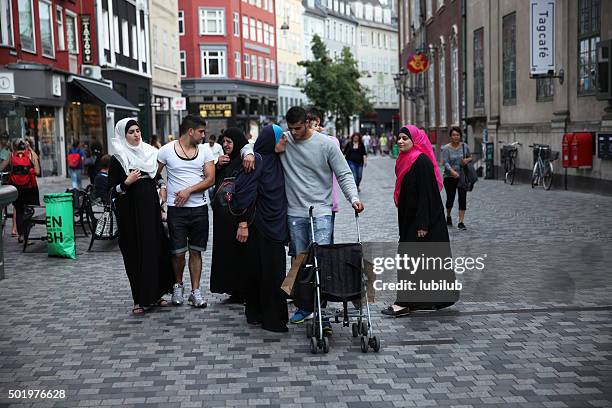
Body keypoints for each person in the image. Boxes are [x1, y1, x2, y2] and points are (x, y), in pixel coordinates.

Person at [241, 106, 364, 334]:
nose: (294, 134)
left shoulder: (326, 144)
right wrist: (248, 153)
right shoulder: (285, 140)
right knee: (300, 262)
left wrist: (353, 198)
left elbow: (344, 173)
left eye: (298, 128)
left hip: (322, 212)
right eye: (291, 129)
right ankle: (305, 304)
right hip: (295, 213)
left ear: (309, 123)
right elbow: (253, 144)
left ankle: (321, 312)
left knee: (323, 261)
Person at [382, 125, 457, 317]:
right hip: (410, 218)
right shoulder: (404, 159)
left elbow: (427, 195)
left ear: (414, 140)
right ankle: (415, 301)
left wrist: (423, 225)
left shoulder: (421, 161)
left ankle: (403, 303)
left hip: (422, 222)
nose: (400, 141)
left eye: (405, 138)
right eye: (398, 138)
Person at [108, 118, 173, 315]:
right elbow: (112, 191)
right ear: (123, 135)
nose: (136, 135)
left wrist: (162, 186)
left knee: (154, 248)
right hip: (130, 213)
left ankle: (157, 293)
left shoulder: (149, 152)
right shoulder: (118, 158)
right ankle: (138, 299)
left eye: (138, 130)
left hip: (150, 209)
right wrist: (127, 182)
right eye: (131, 132)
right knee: (135, 252)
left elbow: (156, 175)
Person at [233, 125, 289, 332]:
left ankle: (262, 314)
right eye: (280, 137)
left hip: (275, 226)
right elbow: (244, 193)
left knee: (272, 272)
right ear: (271, 140)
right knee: (263, 272)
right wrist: (243, 223)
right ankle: (269, 318)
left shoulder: (278, 160)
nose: (284, 140)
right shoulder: (257, 161)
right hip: (257, 226)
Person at [157, 114, 215, 308]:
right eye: (201, 131)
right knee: (178, 252)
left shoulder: (205, 151)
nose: (203, 135)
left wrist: (189, 190)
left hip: (199, 209)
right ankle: (178, 285)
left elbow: (210, 179)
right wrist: (162, 186)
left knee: (196, 252)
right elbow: (154, 174)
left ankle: (195, 291)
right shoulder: (166, 151)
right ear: (190, 131)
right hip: (176, 210)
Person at [210, 128, 249, 303]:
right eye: (224, 141)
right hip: (222, 218)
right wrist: (217, 166)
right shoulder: (224, 162)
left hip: (237, 216)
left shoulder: (245, 162)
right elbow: (211, 181)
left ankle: (243, 289)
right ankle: (231, 288)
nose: (225, 145)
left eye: (229, 142)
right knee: (225, 252)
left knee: (240, 253)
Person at [306, 108, 340, 242]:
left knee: (326, 243)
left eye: (310, 124)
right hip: (305, 202)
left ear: (317, 123)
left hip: (327, 202)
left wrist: (319, 136)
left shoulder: (330, 141)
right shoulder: (300, 143)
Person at [8, 138, 40, 243]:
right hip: (29, 188)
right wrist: (30, 148)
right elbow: (37, 171)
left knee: (19, 210)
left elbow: (3, 167)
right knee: (29, 210)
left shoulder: (12, 156)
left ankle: (21, 234)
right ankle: (26, 233)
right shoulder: (30, 154)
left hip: (16, 188)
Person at [442, 126, 472, 230]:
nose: (456, 137)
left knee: (462, 198)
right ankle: (449, 216)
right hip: (449, 177)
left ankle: (461, 221)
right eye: (454, 135)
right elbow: (445, 162)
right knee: (450, 198)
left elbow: (470, 156)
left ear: (460, 136)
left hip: (462, 176)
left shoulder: (464, 146)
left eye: (458, 135)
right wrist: (452, 171)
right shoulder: (446, 148)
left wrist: (467, 160)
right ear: (451, 136)